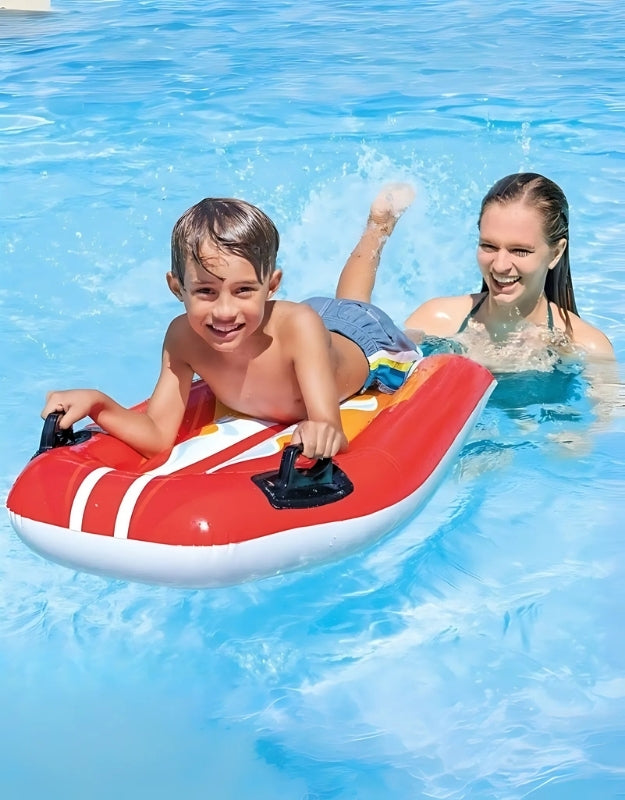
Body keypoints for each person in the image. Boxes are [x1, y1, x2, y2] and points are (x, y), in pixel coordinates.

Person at [42, 198, 421, 460]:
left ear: (271, 286)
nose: (224, 311)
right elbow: (157, 436)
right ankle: (377, 225)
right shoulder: (182, 338)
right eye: (206, 292)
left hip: (364, 340)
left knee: (367, 308)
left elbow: (329, 427)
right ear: (177, 288)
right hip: (304, 324)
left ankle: (378, 227)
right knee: (347, 299)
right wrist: (98, 403)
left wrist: (321, 431)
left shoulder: (299, 328)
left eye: (243, 291)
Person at [336, 174, 615, 363]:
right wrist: (378, 227)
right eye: (489, 246)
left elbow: (601, 427)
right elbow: (355, 338)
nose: (500, 265)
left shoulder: (587, 348)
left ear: (556, 252)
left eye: (520, 250)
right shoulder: (439, 322)